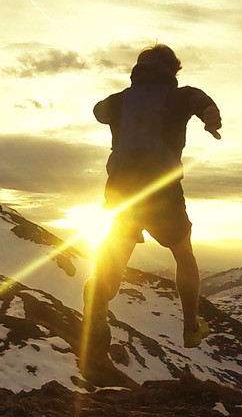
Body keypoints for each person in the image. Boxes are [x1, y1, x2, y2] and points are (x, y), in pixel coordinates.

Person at [84, 44, 221, 363]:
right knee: (184, 254)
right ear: (172, 71)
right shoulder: (180, 95)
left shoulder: (119, 101)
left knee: (118, 247)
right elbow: (201, 102)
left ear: (139, 70)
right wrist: (210, 116)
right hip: (162, 190)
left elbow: (97, 111)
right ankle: (190, 328)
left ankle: (99, 299)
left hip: (121, 189)